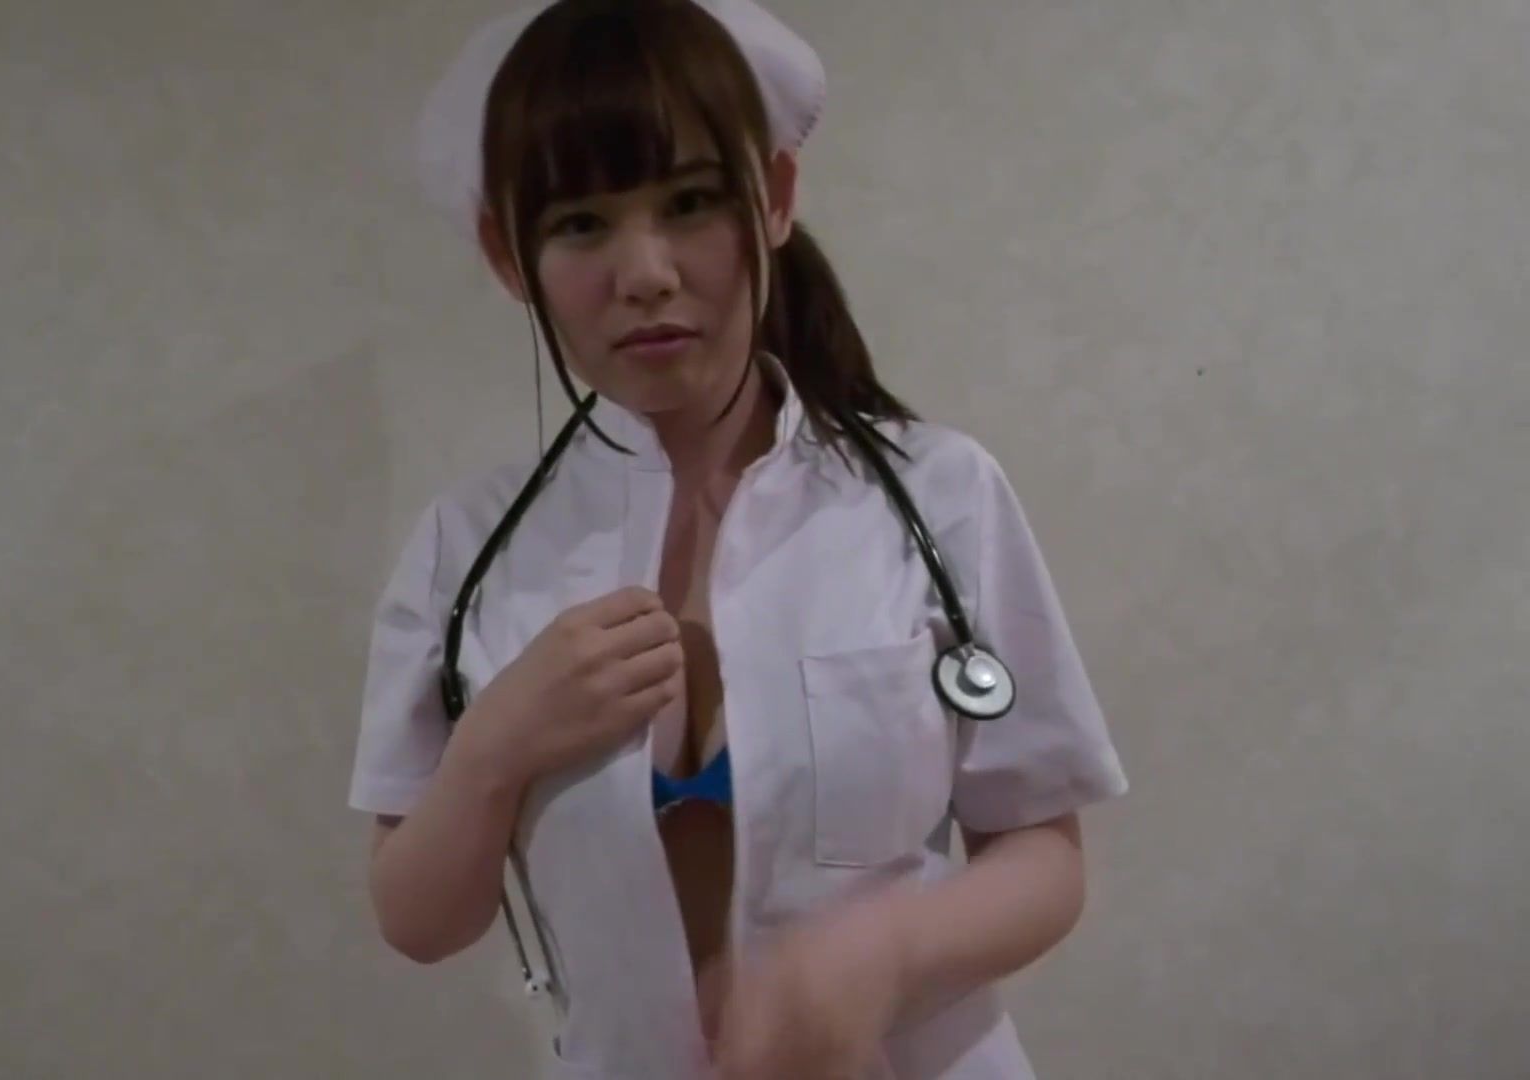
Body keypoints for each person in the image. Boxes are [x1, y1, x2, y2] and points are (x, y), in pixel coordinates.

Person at [348, 2, 1129, 1077]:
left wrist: (880, 956)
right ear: (507, 254)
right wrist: (496, 748)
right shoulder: (468, 550)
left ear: (774, 199)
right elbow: (418, 920)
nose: (646, 273)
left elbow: (1044, 852)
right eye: (580, 224)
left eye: (690, 203)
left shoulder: (938, 495)